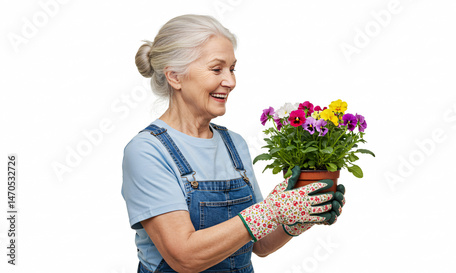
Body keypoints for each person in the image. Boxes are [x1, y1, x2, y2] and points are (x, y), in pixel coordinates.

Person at [121, 14, 346, 273]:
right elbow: (184, 256)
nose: (231, 81)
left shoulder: (233, 144)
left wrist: (294, 218)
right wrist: (270, 211)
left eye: (232, 69)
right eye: (217, 69)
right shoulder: (147, 151)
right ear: (175, 77)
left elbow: (259, 244)